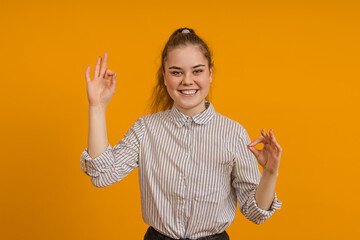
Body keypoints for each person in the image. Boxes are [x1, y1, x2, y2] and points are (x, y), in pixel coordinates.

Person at [80, 27, 283, 240]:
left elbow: (255, 213)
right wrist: (97, 106)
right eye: (177, 72)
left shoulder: (233, 133)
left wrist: (269, 173)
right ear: (164, 77)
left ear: (210, 73)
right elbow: (102, 175)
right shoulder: (146, 130)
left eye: (197, 71)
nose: (187, 80)